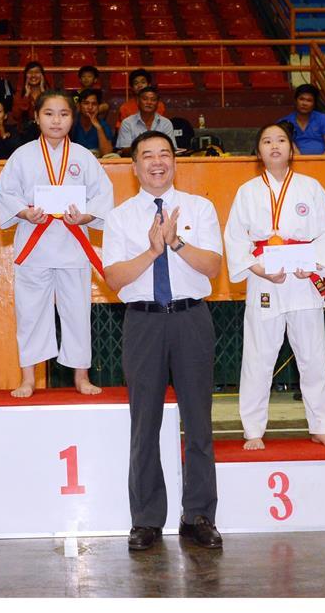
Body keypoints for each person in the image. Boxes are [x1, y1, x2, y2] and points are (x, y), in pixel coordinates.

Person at [103, 130, 224, 551]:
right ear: (134, 167)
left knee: (199, 422)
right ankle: (147, 519)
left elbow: (213, 266)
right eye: (148, 156)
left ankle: (199, 515)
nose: (157, 162)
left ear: (175, 161)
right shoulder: (119, 217)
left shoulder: (200, 208)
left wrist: (176, 242)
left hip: (192, 319)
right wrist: (153, 251)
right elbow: (114, 278)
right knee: (145, 423)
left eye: (164, 154)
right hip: (144, 323)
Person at [223, 122, 325, 450]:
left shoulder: (311, 187)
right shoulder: (247, 192)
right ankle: (253, 430)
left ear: (292, 149)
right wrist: (256, 268)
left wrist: (314, 264)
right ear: (258, 151)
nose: (274, 145)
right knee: (258, 357)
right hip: (264, 278)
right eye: (266, 141)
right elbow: (235, 238)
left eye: (281, 140)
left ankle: (321, 426)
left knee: (313, 357)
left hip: (303, 278)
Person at [0, 90, 113, 398]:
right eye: (49, 113)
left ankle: (81, 376)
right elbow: (6, 192)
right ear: (36, 117)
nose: (56, 120)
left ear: (72, 118)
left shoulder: (84, 157)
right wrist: (25, 212)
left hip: (73, 246)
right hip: (34, 246)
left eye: (63, 114)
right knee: (30, 312)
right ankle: (28, 378)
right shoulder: (22, 156)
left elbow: (103, 195)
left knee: (77, 312)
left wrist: (86, 216)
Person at [277, 84, 325, 155]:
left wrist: (320, 161)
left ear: (314, 104)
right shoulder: (284, 122)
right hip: (295, 160)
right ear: (295, 101)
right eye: (301, 99)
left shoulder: (322, 119)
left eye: (309, 100)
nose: (304, 103)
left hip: (322, 160)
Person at [116, 86, 175, 156]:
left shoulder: (166, 123)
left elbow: (170, 148)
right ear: (138, 101)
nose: (149, 102)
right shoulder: (127, 123)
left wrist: (140, 146)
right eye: (145, 99)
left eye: (153, 100)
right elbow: (125, 150)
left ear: (157, 103)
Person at [70, 88, 114, 156]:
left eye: (94, 104)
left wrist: (98, 128)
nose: (90, 107)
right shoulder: (72, 124)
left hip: (97, 160)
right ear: (79, 106)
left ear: (98, 107)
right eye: (86, 103)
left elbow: (107, 153)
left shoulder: (103, 125)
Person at [11, 61, 48, 129]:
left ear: (42, 75)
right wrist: (26, 96)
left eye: (37, 72)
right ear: (25, 76)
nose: (33, 75)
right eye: (30, 72)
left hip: (46, 129)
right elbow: (16, 116)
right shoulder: (19, 94)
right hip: (25, 131)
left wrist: (43, 92)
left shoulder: (49, 93)